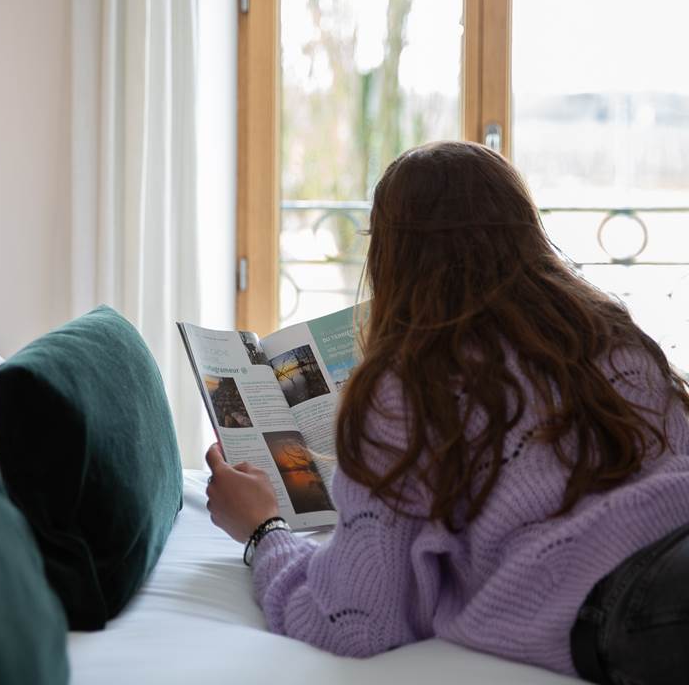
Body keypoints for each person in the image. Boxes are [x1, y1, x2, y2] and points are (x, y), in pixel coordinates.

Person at [205, 141, 689, 684]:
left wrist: (264, 530)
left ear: (390, 258)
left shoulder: (409, 387)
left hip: (636, 601)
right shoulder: (605, 331)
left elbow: (351, 622)